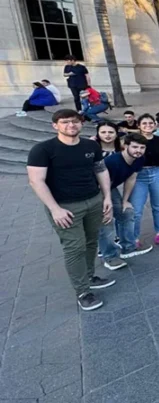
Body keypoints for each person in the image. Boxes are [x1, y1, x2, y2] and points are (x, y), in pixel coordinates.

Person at [26, 109, 113, 311]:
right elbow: (36, 181)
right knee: (75, 247)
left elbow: (100, 170)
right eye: (65, 122)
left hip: (93, 201)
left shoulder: (91, 145)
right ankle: (82, 291)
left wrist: (106, 197)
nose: (71, 125)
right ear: (55, 125)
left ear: (81, 124)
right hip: (65, 207)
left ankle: (90, 276)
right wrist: (55, 209)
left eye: (75, 122)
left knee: (91, 242)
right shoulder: (43, 150)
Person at [98, 134, 153, 271]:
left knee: (127, 212)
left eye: (142, 147)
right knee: (106, 222)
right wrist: (107, 202)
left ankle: (128, 248)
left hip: (110, 188)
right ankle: (109, 257)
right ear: (125, 146)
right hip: (96, 190)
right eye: (134, 147)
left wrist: (125, 201)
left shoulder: (139, 159)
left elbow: (131, 179)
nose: (138, 150)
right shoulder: (113, 161)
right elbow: (102, 184)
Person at [132, 114, 159, 245]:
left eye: (151, 123)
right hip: (139, 175)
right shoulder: (133, 140)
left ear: (155, 125)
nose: (148, 126)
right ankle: (134, 237)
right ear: (138, 125)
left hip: (158, 173)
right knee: (136, 209)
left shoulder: (158, 139)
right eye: (144, 123)